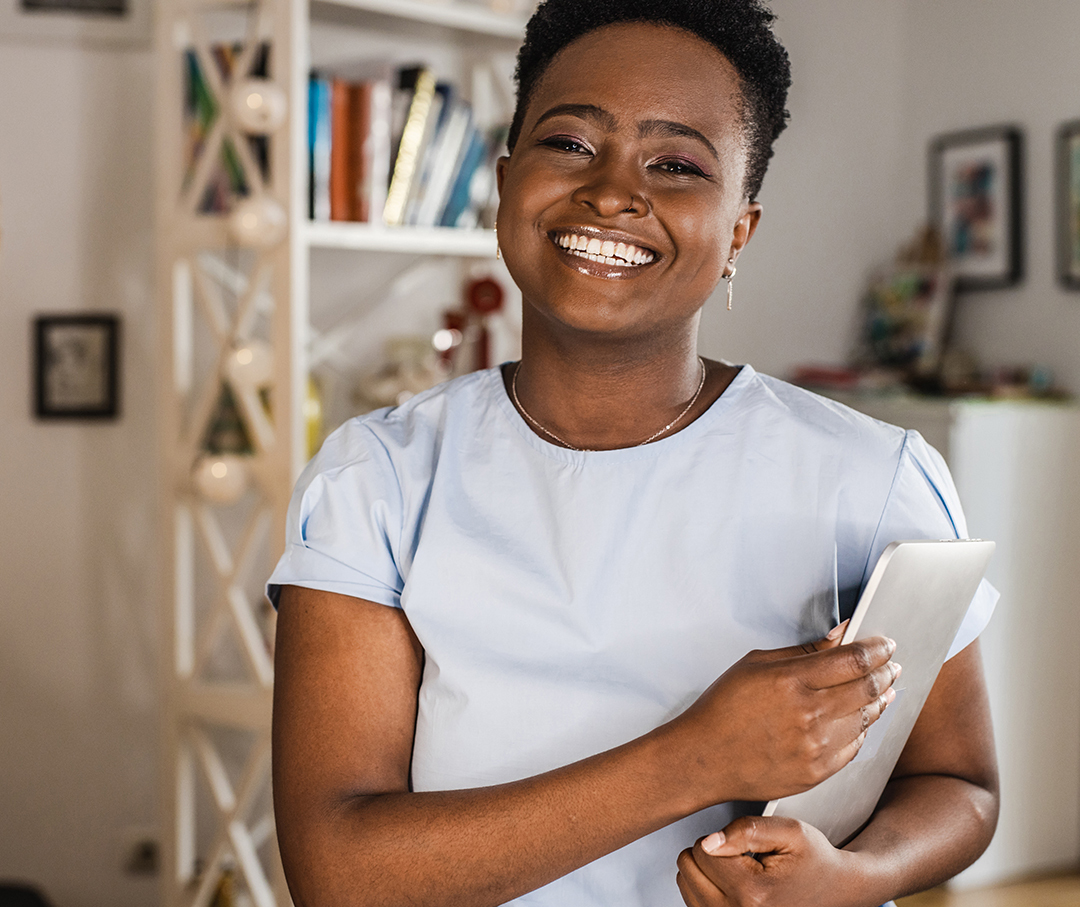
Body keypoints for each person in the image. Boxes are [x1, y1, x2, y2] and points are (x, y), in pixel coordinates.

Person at [268, 2, 999, 905]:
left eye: (678, 164)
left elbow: (960, 784)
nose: (613, 191)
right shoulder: (375, 481)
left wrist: (857, 875)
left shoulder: (872, 477)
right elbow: (338, 873)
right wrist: (696, 756)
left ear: (739, 231)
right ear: (506, 184)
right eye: (570, 143)